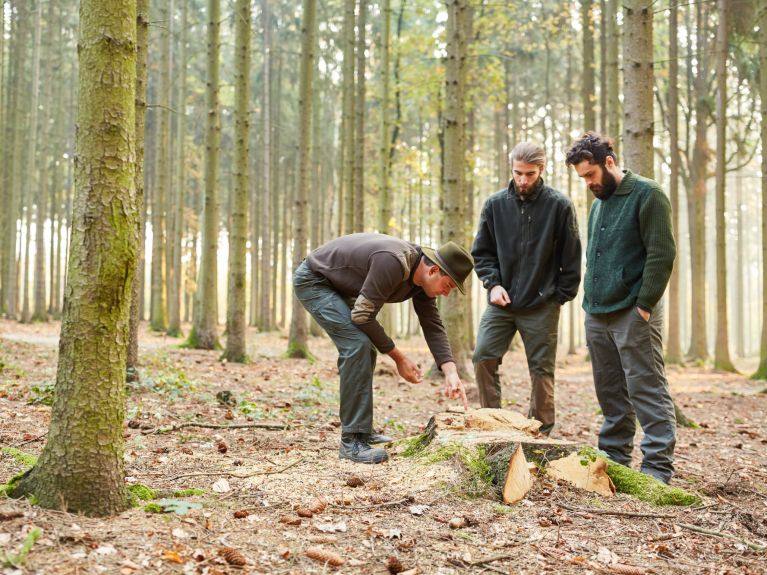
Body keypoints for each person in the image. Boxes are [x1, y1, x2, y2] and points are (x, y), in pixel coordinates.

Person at [293, 233, 474, 464]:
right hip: (315, 280)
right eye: (448, 286)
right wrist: (399, 358)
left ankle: (362, 431)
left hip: (339, 287)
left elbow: (432, 324)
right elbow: (362, 317)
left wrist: (451, 372)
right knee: (357, 344)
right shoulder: (393, 262)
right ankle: (351, 443)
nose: (446, 293)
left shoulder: (422, 280)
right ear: (433, 271)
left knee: (365, 346)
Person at [565, 132, 677, 484]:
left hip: (633, 311)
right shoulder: (598, 203)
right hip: (597, 312)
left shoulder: (649, 194)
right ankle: (613, 458)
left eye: (590, 175)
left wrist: (644, 305)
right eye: (582, 178)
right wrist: (590, 304)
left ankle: (657, 466)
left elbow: (662, 253)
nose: (587, 184)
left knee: (646, 387)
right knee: (609, 389)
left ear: (609, 162)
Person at [471, 142, 581, 435]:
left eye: (529, 174)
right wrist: (492, 284)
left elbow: (571, 258)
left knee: (542, 372)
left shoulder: (559, 206)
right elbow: (482, 252)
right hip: (501, 303)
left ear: (541, 170)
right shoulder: (495, 205)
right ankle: (492, 424)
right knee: (483, 356)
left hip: (542, 305)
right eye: (517, 173)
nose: (522, 180)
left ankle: (540, 432)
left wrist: (558, 297)